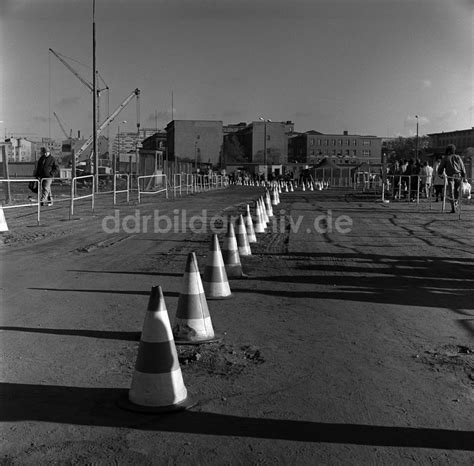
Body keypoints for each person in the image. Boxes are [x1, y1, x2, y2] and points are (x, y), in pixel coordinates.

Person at [437, 144, 466, 213]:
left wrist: (440, 174)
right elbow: (462, 167)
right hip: (458, 176)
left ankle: (453, 207)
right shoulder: (458, 157)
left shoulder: (446, 158)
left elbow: (440, 168)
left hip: (451, 176)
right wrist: (464, 175)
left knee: (451, 192)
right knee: (457, 191)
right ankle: (455, 203)